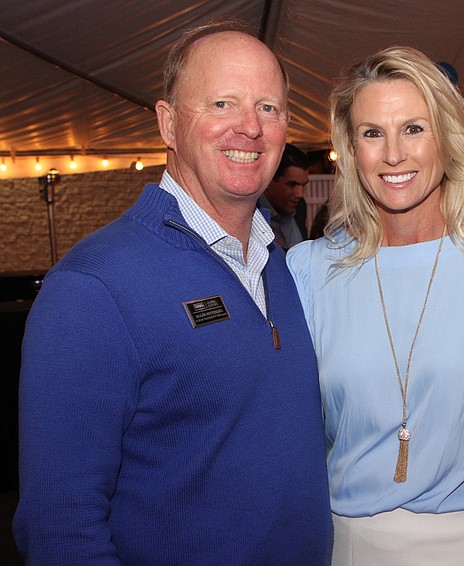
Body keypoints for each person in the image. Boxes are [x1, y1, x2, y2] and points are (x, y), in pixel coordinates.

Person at [14, 20, 332, 564]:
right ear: (167, 123)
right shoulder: (93, 289)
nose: (250, 128)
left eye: (269, 108)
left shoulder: (283, 263)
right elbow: (61, 527)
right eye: (222, 104)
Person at [286, 46, 464, 565]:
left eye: (413, 128)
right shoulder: (310, 270)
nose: (393, 155)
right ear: (349, 148)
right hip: (343, 546)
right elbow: (293, 439)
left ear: (446, 137)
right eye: (371, 133)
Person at [259, 143, 310, 249]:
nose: (300, 194)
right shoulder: (251, 213)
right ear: (269, 180)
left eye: (303, 185)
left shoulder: (300, 207)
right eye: (292, 185)